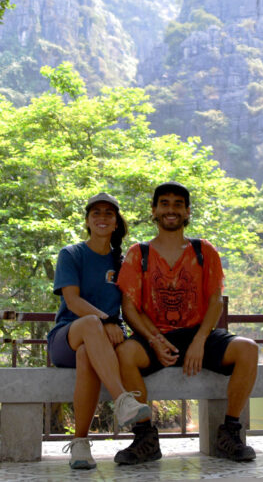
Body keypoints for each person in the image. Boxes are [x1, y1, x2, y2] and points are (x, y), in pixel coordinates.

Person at [113, 181, 259, 464]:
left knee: (248, 349)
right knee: (125, 353)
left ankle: (230, 432)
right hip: (154, 335)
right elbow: (129, 308)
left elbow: (215, 301)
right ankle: (145, 436)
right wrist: (154, 340)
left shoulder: (204, 251)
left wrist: (200, 341)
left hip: (197, 333)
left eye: (178, 204)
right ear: (153, 211)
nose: (171, 210)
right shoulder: (138, 253)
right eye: (164, 204)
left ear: (187, 211)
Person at [47, 192, 151, 470]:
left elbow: (132, 307)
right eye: (97, 213)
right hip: (66, 336)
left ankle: (80, 445)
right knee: (90, 328)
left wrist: (153, 336)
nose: (102, 218)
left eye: (109, 213)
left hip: (101, 342)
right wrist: (107, 321)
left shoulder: (123, 263)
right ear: (88, 221)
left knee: (87, 355)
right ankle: (122, 400)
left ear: (116, 222)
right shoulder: (71, 254)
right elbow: (73, 301)